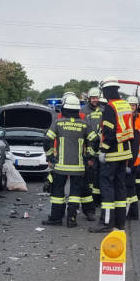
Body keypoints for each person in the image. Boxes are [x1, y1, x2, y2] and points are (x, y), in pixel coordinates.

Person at [41, 95, 98, 228]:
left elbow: (47, 140)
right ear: (78, 109)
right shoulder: (84, 124)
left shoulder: (58, 123)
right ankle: (71, 219)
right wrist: (89, 155)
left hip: (60, 166)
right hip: (78, 167)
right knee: (75, 194)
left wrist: (50, 157)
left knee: (57, 193)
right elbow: (95, 140)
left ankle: (56, 218)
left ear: (64, 108)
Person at [90, 77, 134, 233]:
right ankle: (119, 223)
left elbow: (109, 132)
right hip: (125, 152)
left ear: (107, 91)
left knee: (107, 187)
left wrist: (103, 150)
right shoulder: (126, 105)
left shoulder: (110, 107)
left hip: (113, 154)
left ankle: (106, 223)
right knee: (120, 186)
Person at [80, 86, 103, 220]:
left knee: (101, 177)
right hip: (89, 150)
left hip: (102, 148)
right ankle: (92, 202)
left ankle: (98, 200)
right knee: (90, 178)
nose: (95, 100)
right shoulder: (83, 111)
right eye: (93, 98)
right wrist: (88, 153)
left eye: (96, 98)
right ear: (89, 99)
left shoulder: (104, 110)